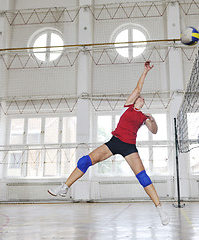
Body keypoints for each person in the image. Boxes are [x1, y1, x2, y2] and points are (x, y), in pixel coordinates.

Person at [48, 61, 170, 226]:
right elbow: (138, 88)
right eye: (139, 97)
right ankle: (64, 186)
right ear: (135, 101)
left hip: (129, 147)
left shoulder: (143, 118)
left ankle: (160, 209)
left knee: (143, 177)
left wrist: (152, 119)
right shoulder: (127, 107)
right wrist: (145, 71)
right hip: (114, 142)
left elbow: (154, 131)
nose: (141, 98)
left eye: (142, 99)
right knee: (85, 161)